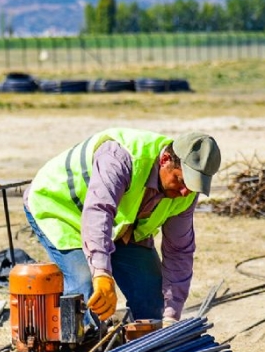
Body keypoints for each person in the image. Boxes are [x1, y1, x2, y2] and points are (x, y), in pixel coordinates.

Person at [23, 127, 221, 325]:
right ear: (165, 160)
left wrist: (170, 315)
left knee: (152, 297)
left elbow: (179, 251)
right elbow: (98, 213)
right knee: (85, 287)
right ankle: (84, 351)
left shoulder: (185, 193)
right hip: (60, 208)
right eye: (180, 179)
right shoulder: (120, 157)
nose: (186, 191)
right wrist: (101, 273)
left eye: (194, 185)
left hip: (121, 227)